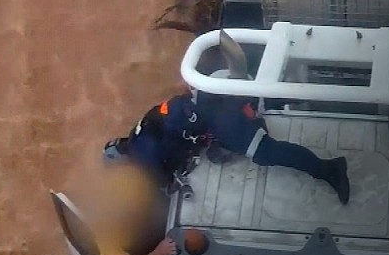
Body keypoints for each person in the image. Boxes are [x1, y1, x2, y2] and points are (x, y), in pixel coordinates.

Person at [106, 88, 351, 205]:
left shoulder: (143, 158)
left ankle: (329, 170)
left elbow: (164, 184)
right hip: (207, 103)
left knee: (266, 153)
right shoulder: (139, 131)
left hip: (215, 118)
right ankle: (252, 118)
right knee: (220, 152)